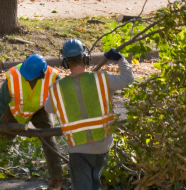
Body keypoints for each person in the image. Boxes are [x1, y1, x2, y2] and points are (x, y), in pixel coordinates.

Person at [44, 39, 134, 190]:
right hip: (102, 144)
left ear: (65, 62)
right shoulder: (102, 79)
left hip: (78, 148)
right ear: (86, 58)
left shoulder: (57, 88)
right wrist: (120, 59)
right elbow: (128, 79)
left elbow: (48, 109)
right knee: (95, 183)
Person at [0, 54, 64, 189]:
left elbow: (65, 98)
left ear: (42, 74)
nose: (26, 77)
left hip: (40, 109)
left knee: (48, 138)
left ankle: (57, 179)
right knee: (5, 135)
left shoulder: (53, 77)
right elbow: (1, 99)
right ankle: (0, 161)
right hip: (15, 109)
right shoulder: (15, 74)